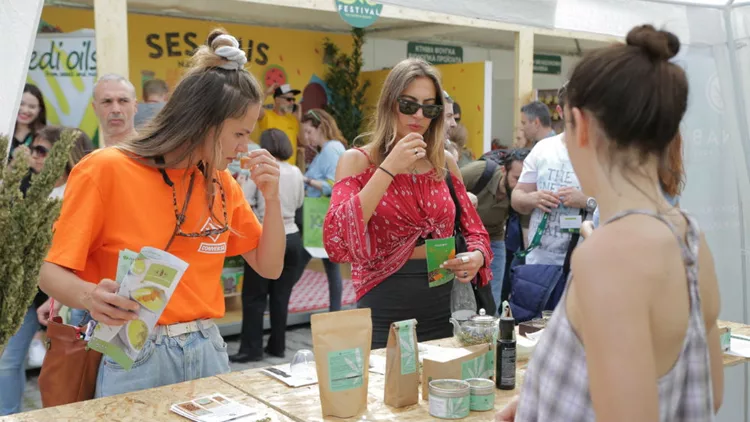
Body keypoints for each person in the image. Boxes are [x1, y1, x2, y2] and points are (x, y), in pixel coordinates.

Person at [38, 29, 286, 398]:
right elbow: (47, 271)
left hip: (208, 351)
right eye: (239, 133)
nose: (244, 147)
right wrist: (90, 296)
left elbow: (270, 267)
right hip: (131, 354)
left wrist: (274, 198)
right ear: (204, 122)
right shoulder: (104, 170)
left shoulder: (221, 184)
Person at [498, 25, 723, 421]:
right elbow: (707, 392)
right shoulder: (690, 238)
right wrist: (543, 400)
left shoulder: (608, 254)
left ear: (580, 125)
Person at [323, 58, 492, 349]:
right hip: (383, 301)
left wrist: (476, 257)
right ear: (390, 103)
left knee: (439, 388)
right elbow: (336, 241)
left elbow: (475, 231)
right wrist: (388, 168)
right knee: (387, 390)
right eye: (408, 104)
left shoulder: (444, 162)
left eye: (429, 107)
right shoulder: (357, 161)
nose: (419, 115)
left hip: (443, 300)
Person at [0, 127, 93, 416]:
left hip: (63, 294)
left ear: (63, 155)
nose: (34, 157)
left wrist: (60, 296)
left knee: (69, 365)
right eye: (33, 149)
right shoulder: (29, 188)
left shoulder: (79, 193)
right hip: (24, 291)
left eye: (41, 150)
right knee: (7, 361)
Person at [230, 129, 304, 363]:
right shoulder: (296, 171)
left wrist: (240, 183)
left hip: (265, 235)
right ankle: (278, 345)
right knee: (282, 297)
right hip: (292, 236)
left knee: (254, 296)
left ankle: (251, 348)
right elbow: (301, 201)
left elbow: (243, 200)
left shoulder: (258, 171)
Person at [460, 149, 525, 312]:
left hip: (493, 238)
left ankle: (490, 328)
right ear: (504, 170)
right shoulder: (480, 172)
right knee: (461, 292)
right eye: (516, 178)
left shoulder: (524, 191)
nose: (520, 185)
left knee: (493, 297)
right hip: (463, 236)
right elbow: (446, 187)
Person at [297, 109, 347, 312]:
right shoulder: (331, 149)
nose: (307, 137)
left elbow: (332, 184)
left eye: (309, 131)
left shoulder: (330, 150)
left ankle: (277, 298)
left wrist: (305, 179)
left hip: (318, 215)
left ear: (321, 127)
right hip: (322, 215)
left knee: (299, 260)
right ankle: (335, 312)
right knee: (329, 265)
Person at [257, 83, 302, 165]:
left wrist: (299, 120)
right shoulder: (267, 115)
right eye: (288, 99)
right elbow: (255, 108)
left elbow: (304, 142)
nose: (292, 102)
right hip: (270, 167)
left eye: (293, 100)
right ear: (277, 100)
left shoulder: (293, 119)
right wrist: (266, 93)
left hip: (289, 169)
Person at [92, 74, 138, 146]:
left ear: (135, 106)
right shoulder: (95, 157)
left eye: (123, 101)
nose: (115, 110)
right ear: (95, 108)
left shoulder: (151, 154)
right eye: (107, 101)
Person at [9, 83, 46, 162]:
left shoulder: (45, 137)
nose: (25, 110)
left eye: (32, 107)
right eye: (21, 104)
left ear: (39, 109)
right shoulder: (3, 131)